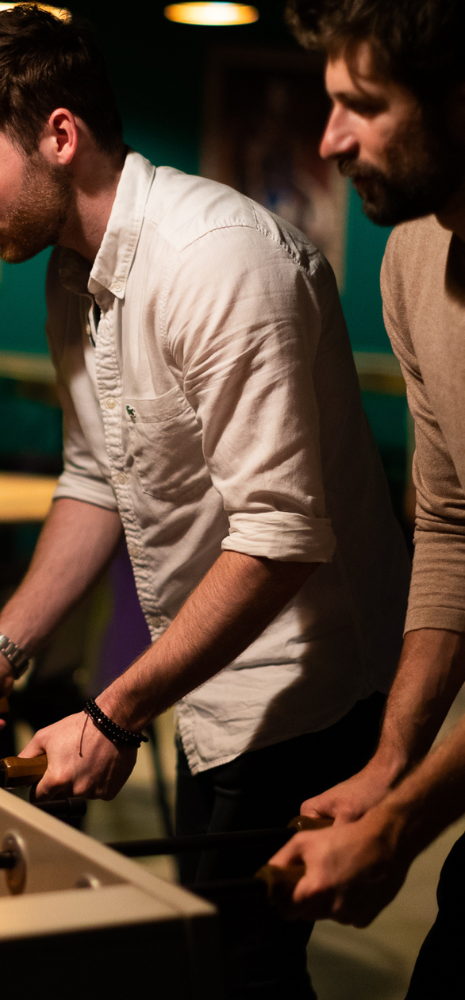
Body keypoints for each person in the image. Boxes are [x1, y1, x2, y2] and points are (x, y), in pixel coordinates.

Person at [0, 7, 408, 997]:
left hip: (315, 689)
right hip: (208, 676)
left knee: (235, 968)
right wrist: (5, 650)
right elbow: (95, 476)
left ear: (59, 135)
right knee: (216, 959)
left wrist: (115, 713)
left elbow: (278, 536)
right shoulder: (69, 270)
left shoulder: (218, 260)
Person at [263, 2, 465, 995]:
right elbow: (452, 523)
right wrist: (393, 756)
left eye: (363, 106)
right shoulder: (411, 258)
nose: (327, 139)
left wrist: (405, 818)